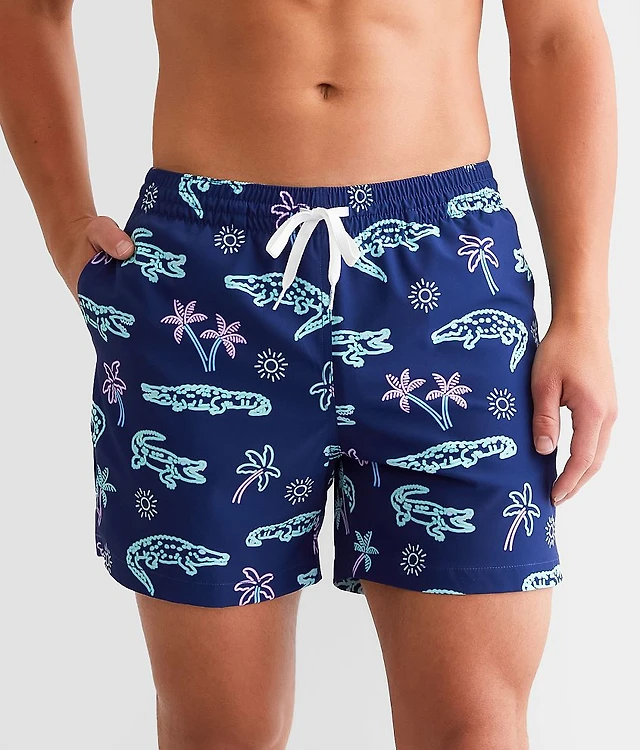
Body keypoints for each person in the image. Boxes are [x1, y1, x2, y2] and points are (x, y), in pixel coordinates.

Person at [0, 1, 618, 748]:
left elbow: (555, 34)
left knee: (474, 729)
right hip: (207, 278)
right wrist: (66, 224)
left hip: (444, 273)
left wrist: (584, 311)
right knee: (220, 734)